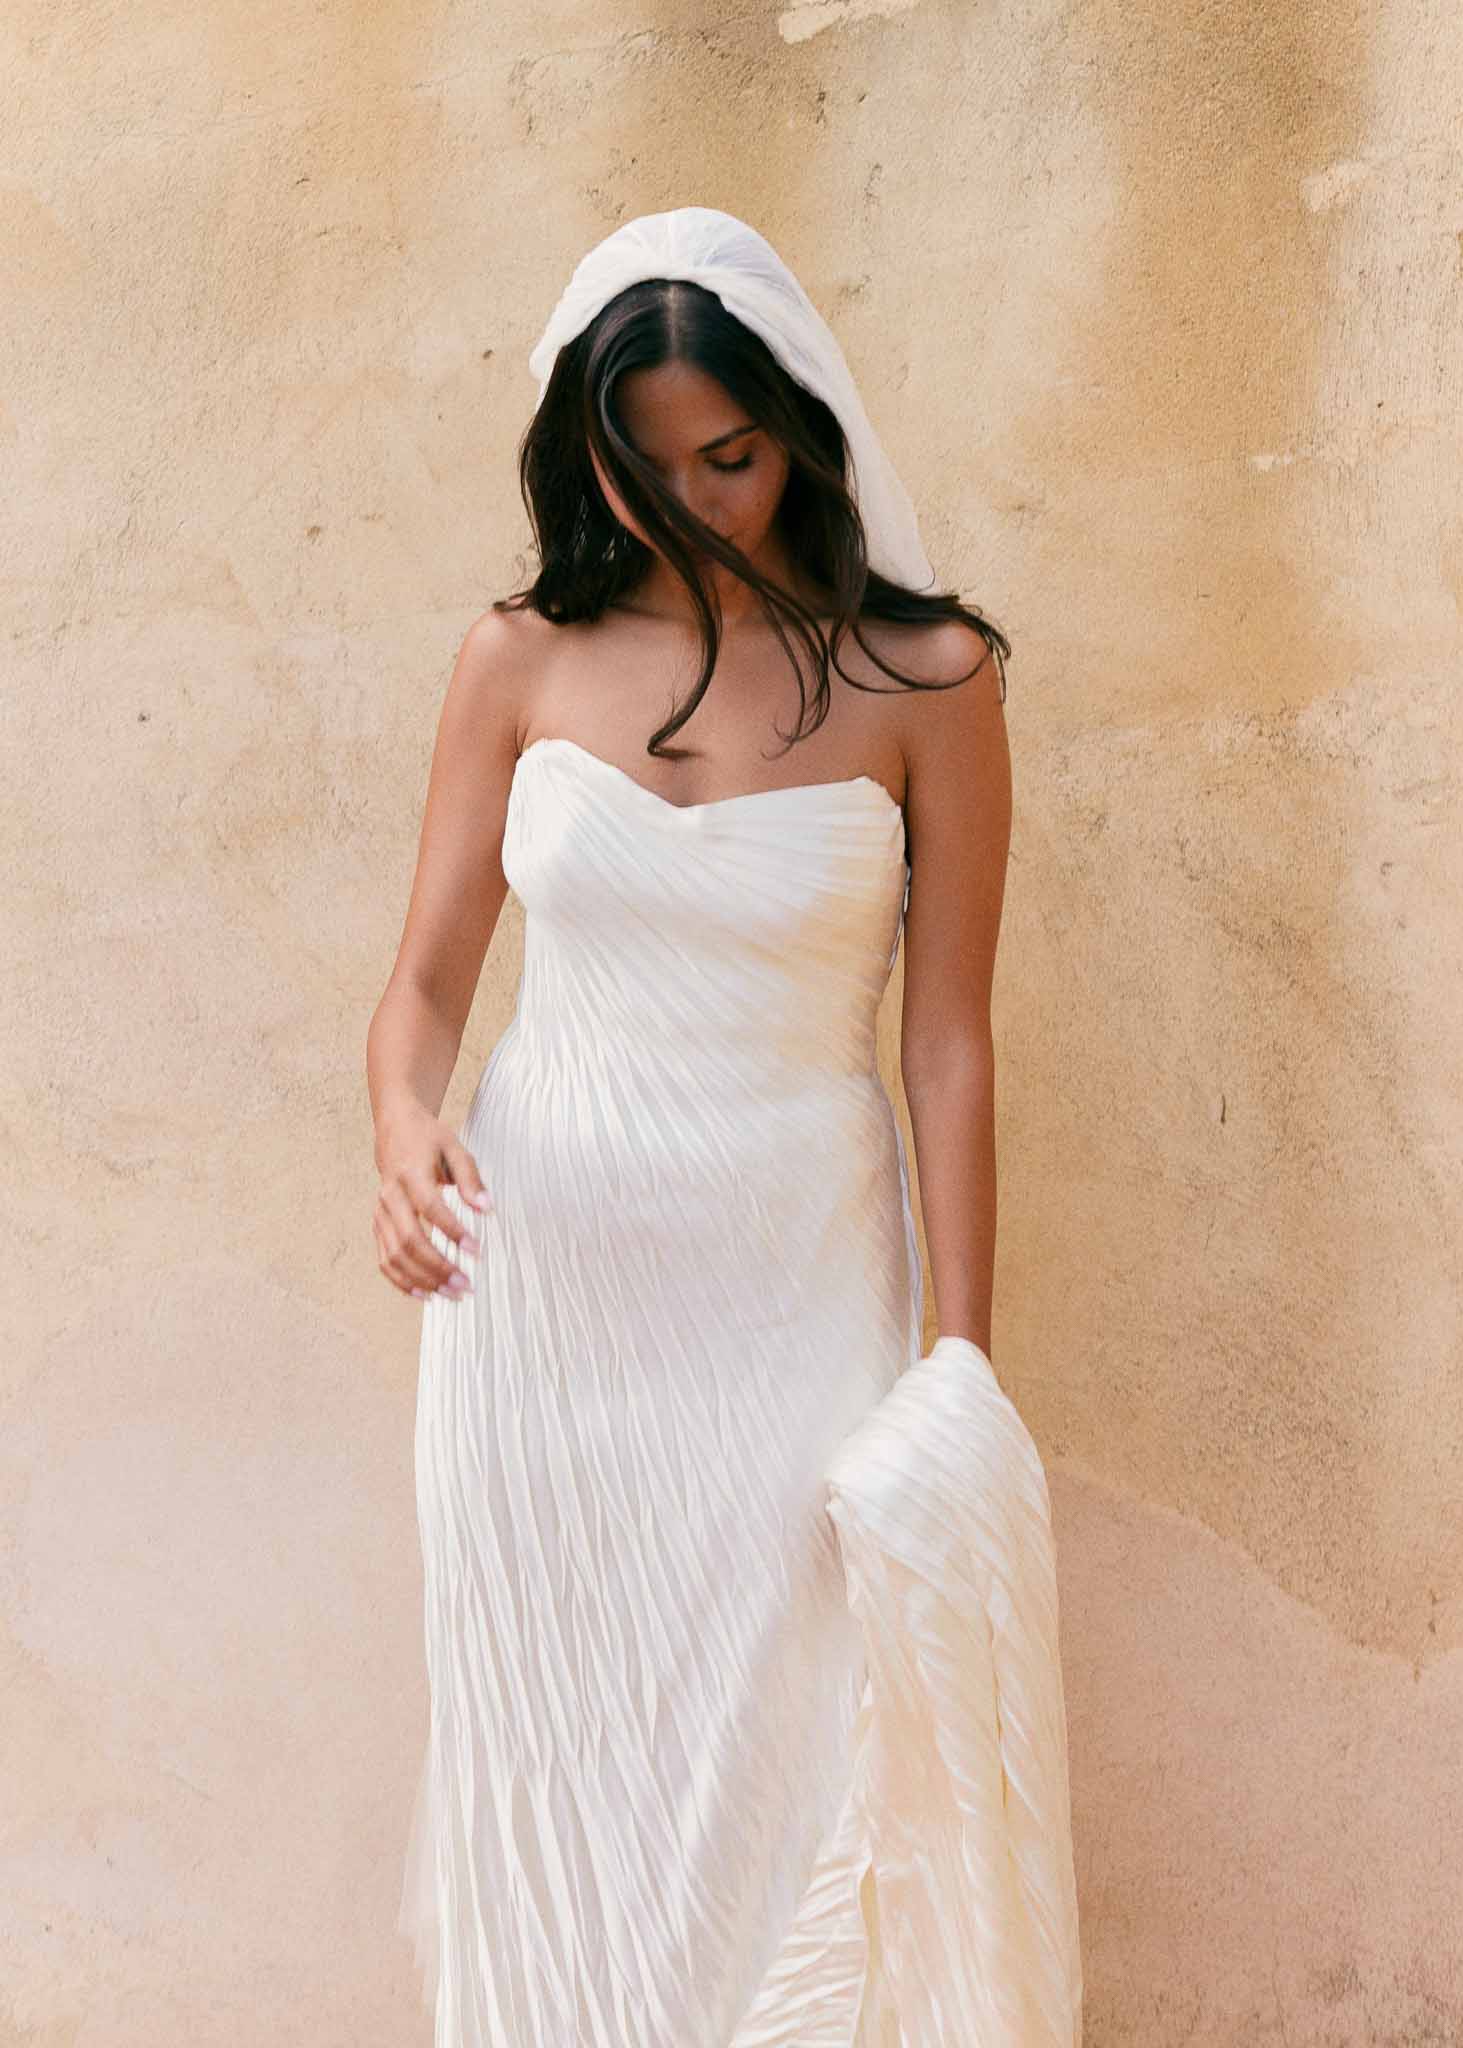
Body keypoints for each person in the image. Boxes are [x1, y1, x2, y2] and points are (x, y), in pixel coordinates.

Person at [366, 207, 1082, 2047]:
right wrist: (399, 1126)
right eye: (647, 460)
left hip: (795, 1294)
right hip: (544, 1315)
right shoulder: (514, 661)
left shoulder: (930, 682)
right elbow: (430, 982)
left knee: (802, 1768)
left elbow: (947, 1043)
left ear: (804, 429)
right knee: (567, 1788)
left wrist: (961, 1363)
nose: (693, 498)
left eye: (733, 456)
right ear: (584, 451)